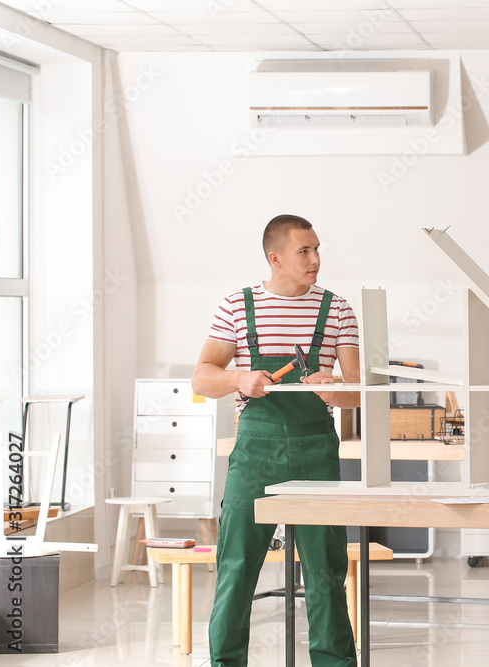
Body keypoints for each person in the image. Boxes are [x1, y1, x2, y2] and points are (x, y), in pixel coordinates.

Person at [192, 214, 360, 667]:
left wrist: (331, 387)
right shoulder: (237, 305)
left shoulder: (338, 308)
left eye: (317, 249)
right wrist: (239, 378)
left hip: (317, 450)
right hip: (256, 452)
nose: (316, 259)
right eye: (305, 251)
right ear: (276, 257)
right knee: (236, 568)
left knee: (326, 572)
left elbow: (355, 394)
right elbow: (202, 378)